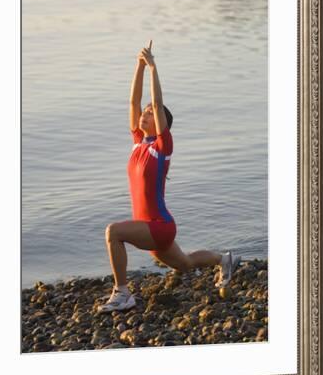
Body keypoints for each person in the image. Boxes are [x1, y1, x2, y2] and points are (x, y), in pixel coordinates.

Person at [97, 40, 240, 313]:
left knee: (113, 232)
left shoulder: (162, 148)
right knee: (185, 263)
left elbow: (159, 102)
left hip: (159, 226)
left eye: (151, 113)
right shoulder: (139, 142)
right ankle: (225, 260)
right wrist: (138, 66)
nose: (145, 114)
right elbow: (133, 101)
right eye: (146, 112)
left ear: (161, 122)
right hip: (151, 228)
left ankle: (123, 293)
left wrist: (153, 68)